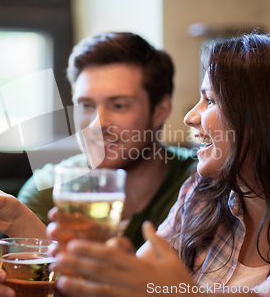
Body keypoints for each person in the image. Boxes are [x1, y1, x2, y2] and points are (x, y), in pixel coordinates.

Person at [37, 33, 270, 297]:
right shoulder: (202, 192)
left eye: (209, 100)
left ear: (261, 116)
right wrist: (20, 226)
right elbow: (133, 286)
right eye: (86, 106)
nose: (190, 117)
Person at [17, 32, 196, 249]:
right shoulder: (49, 189)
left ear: (160, 110)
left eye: (118, 105)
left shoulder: (202, 183)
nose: (97, 124)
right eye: (85, 106)